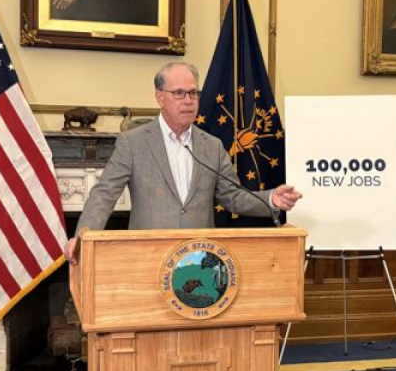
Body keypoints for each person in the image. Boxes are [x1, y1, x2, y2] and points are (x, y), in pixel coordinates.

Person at [64, 62, 303, 264]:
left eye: (193, 93)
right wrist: (82, 236)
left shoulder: (212, 146)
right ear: (160, 97)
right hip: (149, 258)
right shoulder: (133, 143)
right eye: (179, 93)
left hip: (201, 260)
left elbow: (233, 196)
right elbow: (104, 194)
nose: (188, 101)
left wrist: (271, 199)